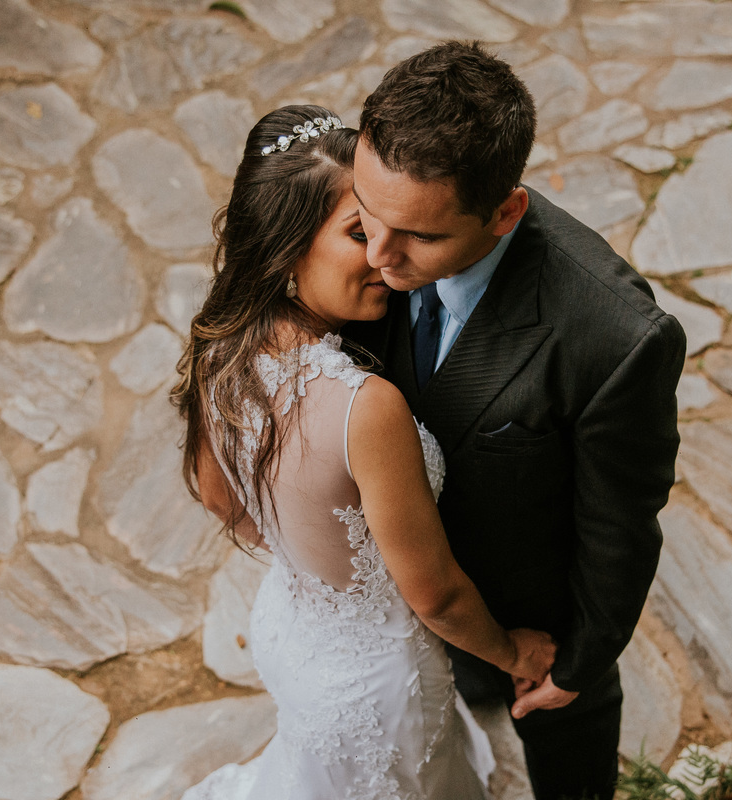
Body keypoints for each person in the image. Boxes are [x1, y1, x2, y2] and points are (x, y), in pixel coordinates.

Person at [172, 104, 557, 800]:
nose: (385, 252)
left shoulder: (220, 344)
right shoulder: (364, 407)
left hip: (294, 632)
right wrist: (513, 652)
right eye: (360, 233)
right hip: (379, 681)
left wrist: (311, 560)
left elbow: (219, 496)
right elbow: (433, 591)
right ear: (289, 246)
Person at [344, 42, 687, 800]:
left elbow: (619, 526)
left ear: (506, 212)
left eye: (422, 237)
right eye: (366, 218)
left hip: (532, 620)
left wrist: (576, 668)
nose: (377, 256)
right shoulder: (369, 223)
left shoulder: (615, 337)